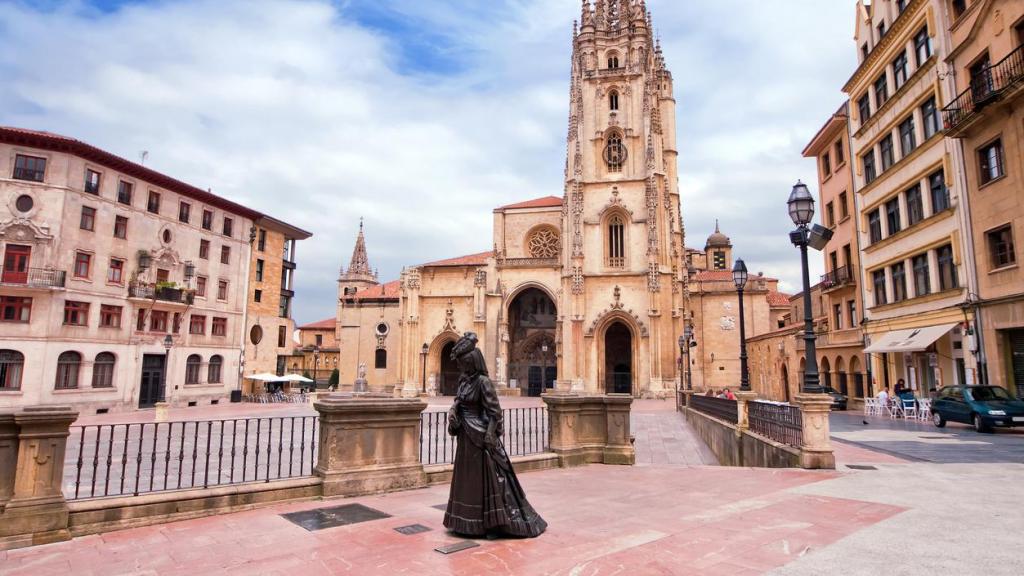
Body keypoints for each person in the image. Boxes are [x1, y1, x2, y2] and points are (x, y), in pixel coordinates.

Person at [444, 332, 546, 538]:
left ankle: (491, 522)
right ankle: (466, 522)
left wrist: (490, 435)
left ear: (471, 362)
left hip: (480, 437)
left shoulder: (483, 382)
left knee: (489, 480)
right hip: (466, 437)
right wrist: (454, 411)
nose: (460, 367)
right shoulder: (465, 381)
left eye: (463, 363)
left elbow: (495, 412)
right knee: (468, 481)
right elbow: (459, 401)